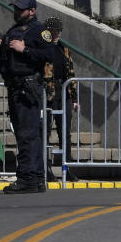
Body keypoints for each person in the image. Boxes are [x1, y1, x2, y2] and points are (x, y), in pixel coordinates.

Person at [0, 0, 57, 193]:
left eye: (22, 9)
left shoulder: (40, 30)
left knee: (28, 134)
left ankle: (28, 178)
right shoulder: (14, 29)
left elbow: (50, 55)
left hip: (27, 87)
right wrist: (1, 46)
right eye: (16, 8)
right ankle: (36, 177)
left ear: (32, 11)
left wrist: (25, 50)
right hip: (16, 86)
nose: (17, 12)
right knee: (26, 134)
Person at [42, 17, 78, 182]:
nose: (57, 34)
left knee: (65, 133)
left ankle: (66, 168)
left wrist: (74, 97)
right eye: (54, 30)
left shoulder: (64, 49)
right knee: (45, 132)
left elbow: (71, 73)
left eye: (59, 30)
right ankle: (45, 168)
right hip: (48, 94)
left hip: (64, 93)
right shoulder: (42, 48)